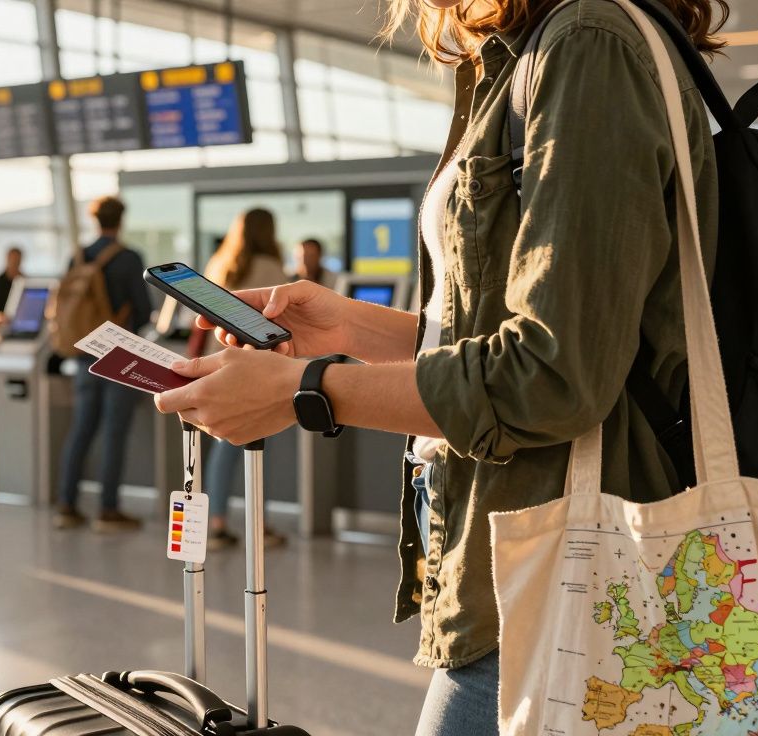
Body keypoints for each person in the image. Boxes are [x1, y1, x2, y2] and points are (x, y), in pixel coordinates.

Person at [154, 0, 725, 733]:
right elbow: (514, 337)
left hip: (565, 567)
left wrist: (306, 390)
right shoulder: (532, 52)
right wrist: (349, 327)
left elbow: (553, 378)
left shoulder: (586, 43)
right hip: (521, 551)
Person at [53, 196, 152, 533]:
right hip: (119, 356)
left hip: (84, 353)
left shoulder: (78, 256)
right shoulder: (129, 258)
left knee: (81, 429)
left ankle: (66, 505)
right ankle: (108, 510)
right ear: (121, 220)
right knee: (113, 433)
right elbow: (142, 309)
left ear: (95, 220)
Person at [201, 209, 290, 550]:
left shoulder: (220, 265)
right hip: (256, 368)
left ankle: (216, 522)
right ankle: (258, 525)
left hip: (218, 364)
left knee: (223, 444)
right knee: (257, 447)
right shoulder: (269, 267)